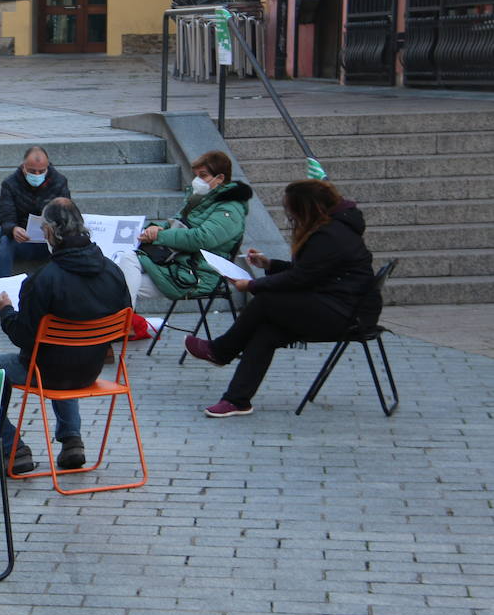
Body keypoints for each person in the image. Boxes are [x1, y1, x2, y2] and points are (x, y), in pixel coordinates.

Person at [0, 198, 131, 474]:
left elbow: (22, 337)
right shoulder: (114, 272)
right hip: (90, 369)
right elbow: (125, 315)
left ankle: (11, 447)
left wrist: (6, 310)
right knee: (65, 351)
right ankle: (72, 439)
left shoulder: (43, 279)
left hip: (46, 371)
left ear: (49, 233)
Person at [185, 179, 378, 418]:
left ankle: (220, 351)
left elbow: (300, 279)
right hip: (338, 305)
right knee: (266, 332)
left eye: (291, 211)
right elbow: (311, 272)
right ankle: (236, 400)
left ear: (306, 209)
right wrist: (270, 265)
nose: (290, 217)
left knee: (266, 302)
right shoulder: (334, 228)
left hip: (345, 314)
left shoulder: (330, 235)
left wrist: (252, 285)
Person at [114, 150, 252, 305]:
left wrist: (159, 236)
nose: (197, 180)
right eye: (196, 175)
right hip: (179, 265)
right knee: (118, 286)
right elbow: (175, 223)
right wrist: (156, 228)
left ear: (220, 178)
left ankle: (122, 324)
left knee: (127, 265)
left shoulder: (230, 209)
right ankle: (125, 323)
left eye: (203, 175)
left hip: (198, 275)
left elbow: (202, 238)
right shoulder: (201, 200)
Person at [0, 145, 71, 320]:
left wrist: (54, 230)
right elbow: (6, 218)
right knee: (4, 244)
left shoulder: (60, 181)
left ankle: (66, 300)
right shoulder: (10, 184)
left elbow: (66, 214)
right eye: (32, 171)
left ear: (48, 167)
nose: (37, 175)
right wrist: (14, 229)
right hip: (22, 239)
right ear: (24, 166)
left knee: (69, 243)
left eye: (42, 171)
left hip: (50, 240)